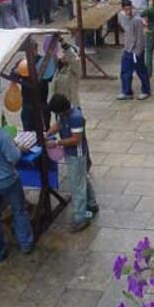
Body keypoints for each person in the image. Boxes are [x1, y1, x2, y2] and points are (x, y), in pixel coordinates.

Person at [0, 90, 34, 262]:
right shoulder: (1, 135)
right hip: (7, 181)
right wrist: (18, 148)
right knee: (19, 211)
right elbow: (14, 157)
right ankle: (25, 243)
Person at [47, 94, 98, 233]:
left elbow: (76, 139)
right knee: (82, 179)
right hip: (70, 153)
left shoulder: (76, 118)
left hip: (77, 155)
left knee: (77, 186)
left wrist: (56, 142)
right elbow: (58, 125)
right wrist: (47, 133)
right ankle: (92, 203)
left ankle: (80, 217)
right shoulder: (64, 114)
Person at [117, 0, 151, 100]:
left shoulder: (137, 20)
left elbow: (140, 37)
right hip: (127, 49)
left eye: (129, 9)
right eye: (126, 9)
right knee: (125, 71)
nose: (128, 11)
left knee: (141, 71)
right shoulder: (122, 16)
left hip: (136, 50)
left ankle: (146, 90)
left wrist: (138, 51)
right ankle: (127, 91)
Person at [52, 39, 81, 106]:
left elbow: (73, 58)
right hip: (59, 105)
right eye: (64, 53)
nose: (64, 56)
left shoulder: (75, 69)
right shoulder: (58, 69)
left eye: (66, 53)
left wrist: (62, 42)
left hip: (71, 105)